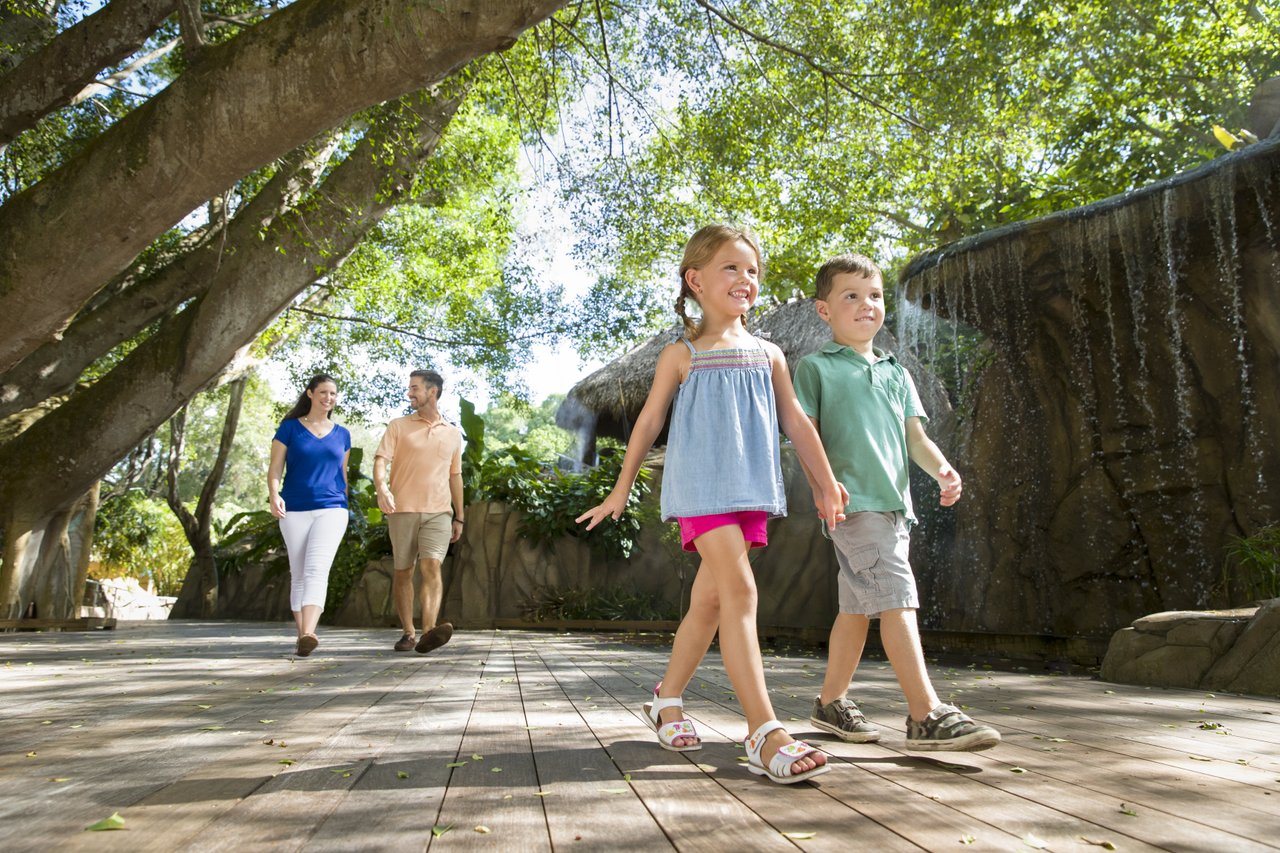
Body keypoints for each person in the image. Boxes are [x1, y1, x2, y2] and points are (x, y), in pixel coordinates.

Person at [578, 224, 848, 785]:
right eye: (731, 267)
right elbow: (650, 422)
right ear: (695, 279)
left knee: (709, 604)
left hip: (748, 489)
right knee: (741, 591)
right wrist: (621, 487)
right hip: (699, 490)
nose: (745, 279)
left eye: (752, 270)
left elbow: (795, 421)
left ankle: (666, 699)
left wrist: (824, 483)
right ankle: (764, 731)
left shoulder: (770, 353)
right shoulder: (682, 354)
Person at [794, 253, 1001, 751]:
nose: (867, 305)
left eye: (875, 296)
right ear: (824, 311)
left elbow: (916, 440)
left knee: (856, 607)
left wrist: (944, 468)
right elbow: (805, 435)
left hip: (894, 507)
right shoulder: (816, 368)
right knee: (896, 596)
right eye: (851, 296)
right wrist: (824, 488)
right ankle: (925, 713)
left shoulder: (896, 372)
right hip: (852, 504)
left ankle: (830, 702)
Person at [374, 369, 464, 654]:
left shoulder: (452, 434)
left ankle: (428, 632)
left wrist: (459, 515)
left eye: (415, 388)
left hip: (439, 512)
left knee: (432, 565)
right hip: (402, 509)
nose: (410, 393)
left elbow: (455, 476)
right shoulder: (398, 426)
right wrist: (382, 489)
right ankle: (408, 633)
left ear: (432, 391)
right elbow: (380, 462)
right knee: (404, 571)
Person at [268, 374, 352, 658]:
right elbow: (275, 469)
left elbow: (343, 474)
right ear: (310, 394)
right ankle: (303, 636)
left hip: (332, 508)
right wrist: (273, 494)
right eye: (324, 392)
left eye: (333, 393)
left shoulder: (342, 434)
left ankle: (308, 633)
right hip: (294, 509)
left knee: (317, 569)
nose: (329, 398)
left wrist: (346, 502)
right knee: (300, 573)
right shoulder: (289, 428)